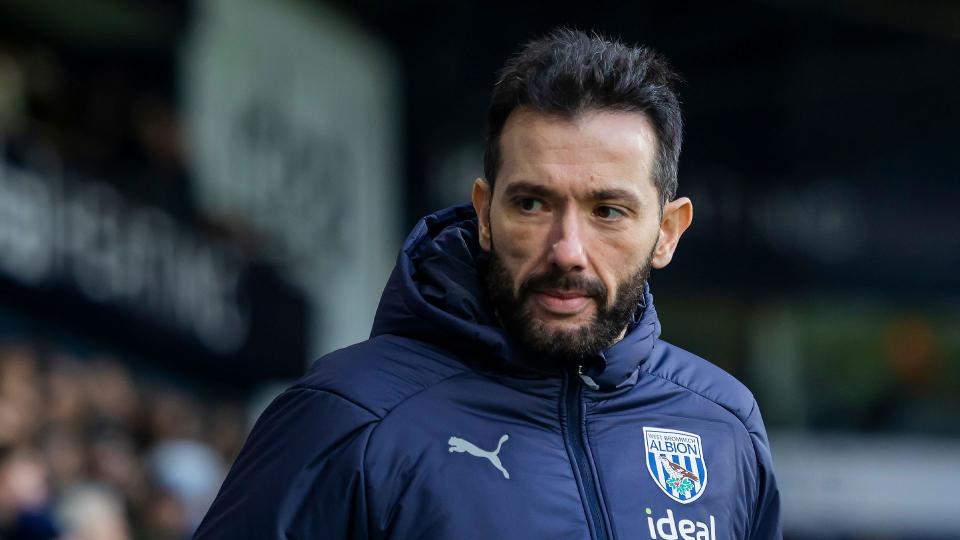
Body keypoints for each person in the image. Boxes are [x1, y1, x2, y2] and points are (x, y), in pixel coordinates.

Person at [195, 28, 781, 540]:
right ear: (483, 212)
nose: (566, 251)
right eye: (531, 203)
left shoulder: (723, 425)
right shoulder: (346, 417)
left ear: (668, 231)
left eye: (608, 211)